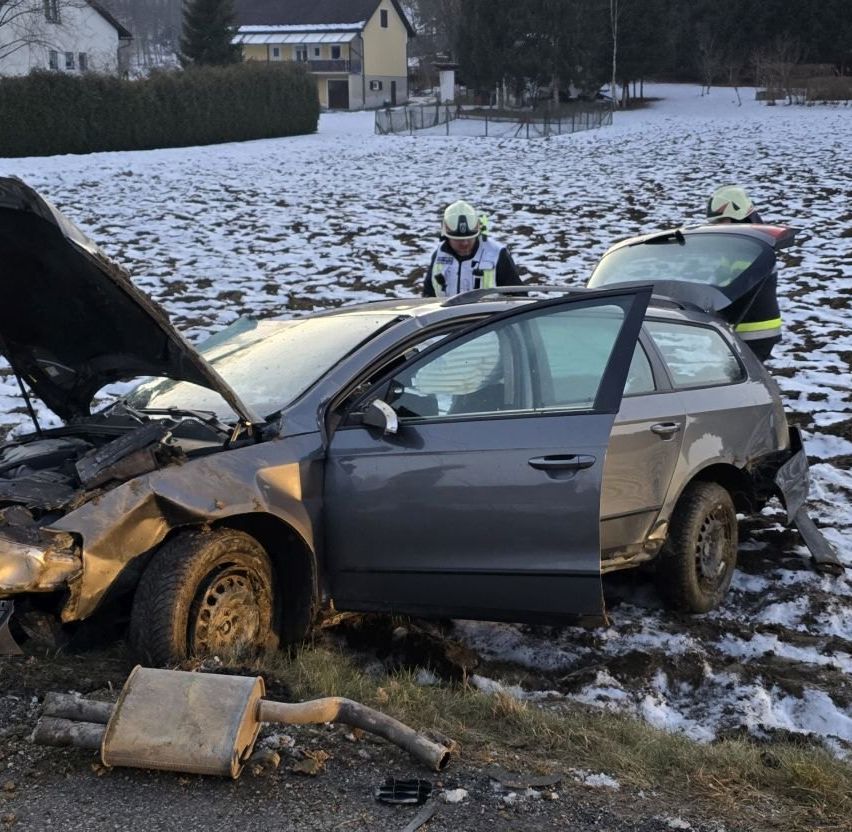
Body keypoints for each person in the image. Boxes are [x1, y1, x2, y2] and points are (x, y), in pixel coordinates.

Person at [705, 185, 780, 361]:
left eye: (721, 221)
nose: (716, 227)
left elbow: (735, 289)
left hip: (755, 331)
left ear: (738, 216)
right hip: (737, 328)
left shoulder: (751, 248)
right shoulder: (735, 246)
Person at [422, 200, 523, 297]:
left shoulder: (497, 254)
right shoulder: (438, 255)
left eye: (470, 238)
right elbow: (428, 295)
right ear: (446, 235)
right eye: (458, 240)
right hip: (448, 314)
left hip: (490, 314)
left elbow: (519, 297)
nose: (465, 243)